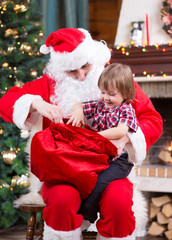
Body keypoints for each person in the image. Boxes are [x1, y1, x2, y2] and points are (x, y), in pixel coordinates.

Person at [0, 28, 162, 240]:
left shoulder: (115, 82)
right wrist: (36, 103)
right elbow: (6, 102)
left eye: (85, 66)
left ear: (93, 56)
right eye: (72, 71)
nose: (82, 76)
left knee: (119, 203)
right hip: (64, 171)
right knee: (62, 201)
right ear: (60, 69)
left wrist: (126, 136)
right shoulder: (49, 85)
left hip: (109, 167)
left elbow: (152, 119)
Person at [67, 62, 138, 223]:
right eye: (103, 92)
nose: (105, 97)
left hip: (119, 162)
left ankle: (87, 217)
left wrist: (97, 136)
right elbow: (79, 105)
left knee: (98, 183)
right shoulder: (100, 105)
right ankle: (76, 212)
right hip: (100, 158)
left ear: (126, 93)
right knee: (83, 178)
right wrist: (78, 111)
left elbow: (121, 130)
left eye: (111, 94)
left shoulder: (126, 109)